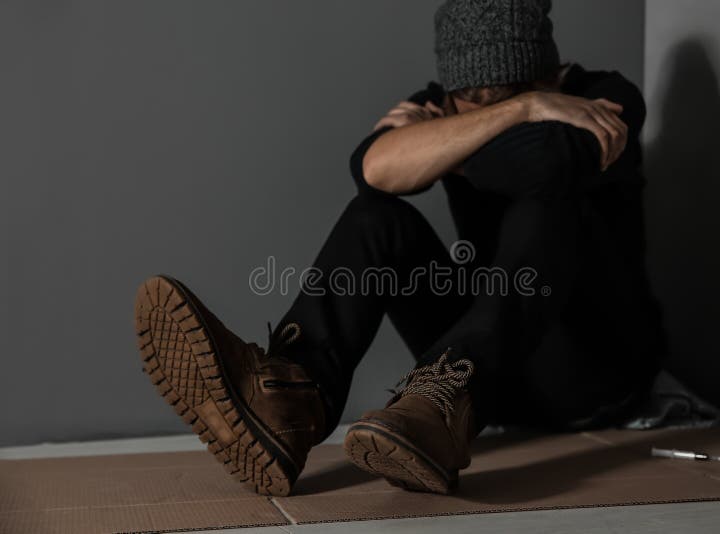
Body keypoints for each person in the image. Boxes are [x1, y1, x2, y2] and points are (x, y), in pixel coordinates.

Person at [133, 0, 665, 497]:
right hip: (484, 387)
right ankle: (289, 399)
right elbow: (373, 169)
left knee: (549, 203)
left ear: (551, 75)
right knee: (376, 216)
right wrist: (523, 110)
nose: (484, 107)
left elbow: (549, 163)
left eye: (507, 94)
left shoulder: (606, 98)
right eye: (468, 103)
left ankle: (439, 399)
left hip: (589, 373)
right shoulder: (490, 101)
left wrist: (444, 141)